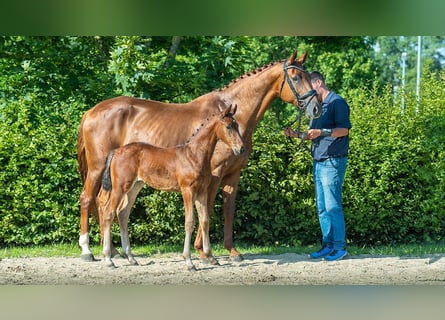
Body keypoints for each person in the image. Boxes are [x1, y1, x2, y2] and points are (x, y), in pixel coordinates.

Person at [284, 71, 352, 261]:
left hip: (333, 160)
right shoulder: (318, 107)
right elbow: (312, 134)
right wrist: (296, 134)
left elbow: (343, 130)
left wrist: (321, 131)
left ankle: (340, 247)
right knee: (322, 208)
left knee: (332, 206)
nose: (307, 92)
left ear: (318, 83)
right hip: (319, 161)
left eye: (309, 87)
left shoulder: (337, 102)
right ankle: (328, 245)